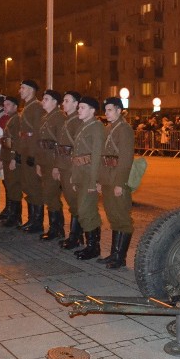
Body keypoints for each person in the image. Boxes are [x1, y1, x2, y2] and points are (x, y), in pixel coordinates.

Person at [96, 97, 135, 269]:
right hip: (107, 178)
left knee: (122, 218)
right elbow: (102, 157)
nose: (106, 113)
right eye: (105, 110)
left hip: (117, 179)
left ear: (119, 110)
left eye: (110, 110)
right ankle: (114, 253)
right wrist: (99, 180)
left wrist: (120, 183)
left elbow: (126, 159)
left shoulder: (124, 129)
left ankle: (121, 257)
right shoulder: (109, 128)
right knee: (113, 216)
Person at [71, 97, 105, 260]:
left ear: (92, 111)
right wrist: (73, 175)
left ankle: (93, 247)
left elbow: (97, 156)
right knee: (84, 210)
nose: (79, 110)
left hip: (89, 176)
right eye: (79, 107)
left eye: (82, 107)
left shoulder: (97, 127)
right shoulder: (83, 126)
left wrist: (94, 181)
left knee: (86, 210)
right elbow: (76, 154)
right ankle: (90, 245)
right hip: (81, 174)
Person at [53, 91, 84, 249]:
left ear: (75, 104)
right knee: (72, 202)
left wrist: (74, 172)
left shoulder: (77, 121)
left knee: (75, 203)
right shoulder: (68, 121)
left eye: (66, 101)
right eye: (63, 100)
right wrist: (58, 166)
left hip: (72, 168)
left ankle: (76, 237)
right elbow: (60, 147)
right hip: (64, 167)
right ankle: (75, 236)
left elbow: (78, 149)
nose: (63, 103)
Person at [36, 90, 67, 240]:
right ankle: (55, 227)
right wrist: (38, 163)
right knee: (48, 194)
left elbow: (61, 143)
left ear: (55, 102)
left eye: (46, 99)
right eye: (43, 98)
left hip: (53, 161)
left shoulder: (59, 117)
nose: (43, 101)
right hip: (44, 161)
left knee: (51, 194)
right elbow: (40, 143)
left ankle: (57, 228)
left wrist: (57, 165)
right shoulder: (44, 118)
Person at [16, 80, 45, 233]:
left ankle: (37, 222)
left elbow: (36, 132)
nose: (20, 91)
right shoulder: (27, 106)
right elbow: (23, 134)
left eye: (23, 88)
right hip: (25, 149)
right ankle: (32, 219)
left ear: (31, 90)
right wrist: (20, 152)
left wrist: (32, 154)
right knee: (27, 185)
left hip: (31, 151)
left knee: (34, 186)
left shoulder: (37, 107)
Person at [0, 96, 23, 227]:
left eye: (8, 104)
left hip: (12, 158)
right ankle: (13, 215)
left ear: (15, 106)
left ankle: (16, 217)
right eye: (5, 104)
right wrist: (2, 158)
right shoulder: (10, 119)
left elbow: (16, 141)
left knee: (14, 186)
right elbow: (5, 141)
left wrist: (14, 158)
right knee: (10, 185)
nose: (5, 107)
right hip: (7, 157)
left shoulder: (17, 119)